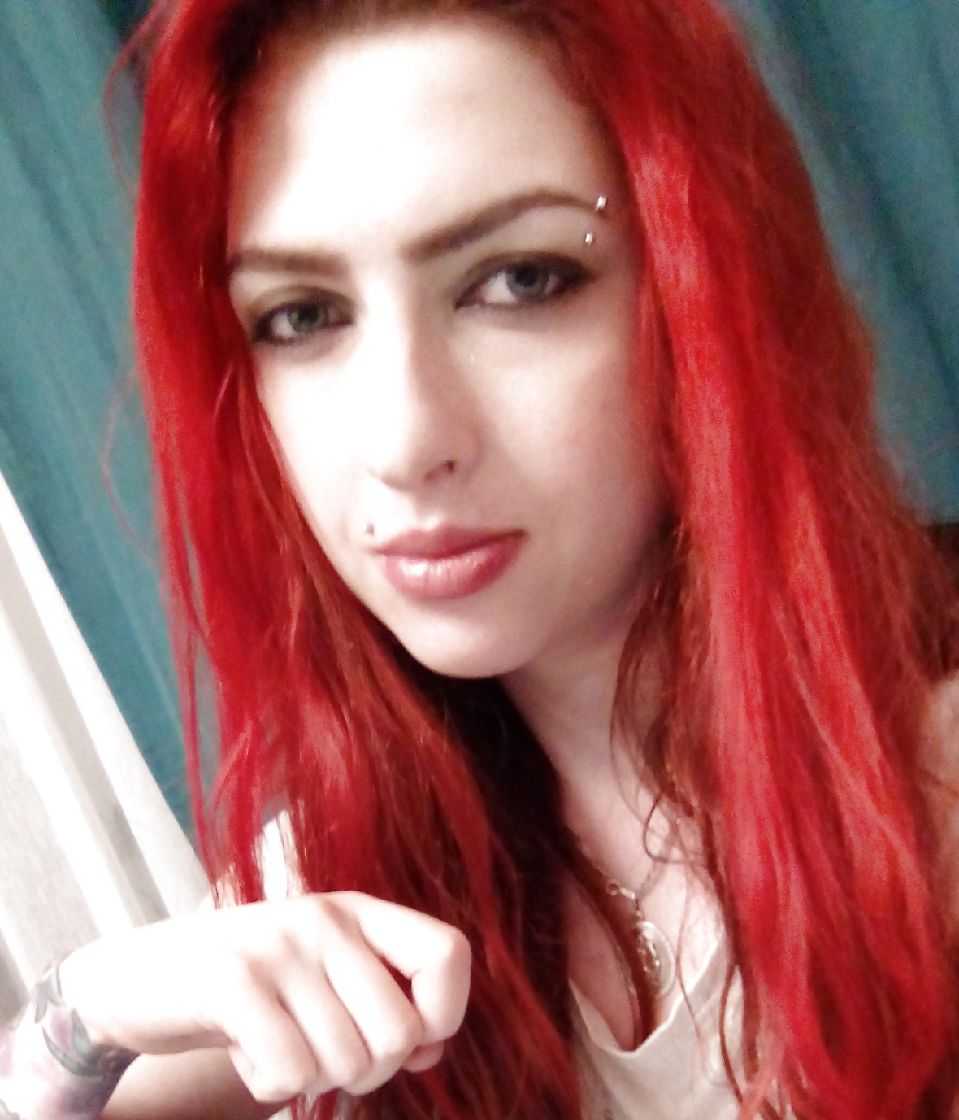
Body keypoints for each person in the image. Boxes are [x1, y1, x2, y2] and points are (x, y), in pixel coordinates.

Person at [1, 0, 957, 1117]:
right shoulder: (363, 846)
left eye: (520, 281)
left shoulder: (927, 772)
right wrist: (94, 1009)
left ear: (703, 289)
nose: (403, 441)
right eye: (302, 315)